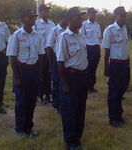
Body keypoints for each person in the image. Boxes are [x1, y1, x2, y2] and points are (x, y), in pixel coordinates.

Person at [6, 9, 45, 137]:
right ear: (22, 20)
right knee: (21, 101)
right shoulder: (16, 36)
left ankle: (29, 127)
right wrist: (16, 77)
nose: (33, 19)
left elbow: (40, 55)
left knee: (31, 101)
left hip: (34, 71)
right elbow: (12, 57)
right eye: (30, 17)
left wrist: (39, 74)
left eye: (34, 17)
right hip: (22, 71)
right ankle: (20, 128)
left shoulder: (37, 35)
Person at [55, 7, 88, 150]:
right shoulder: (63, 37)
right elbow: (60, 62)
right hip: (71, 76)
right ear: (69, 20)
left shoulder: (81, 35)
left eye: (81, 17)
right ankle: (70, 140)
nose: (80, 19)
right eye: (77, 17)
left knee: (81, 107)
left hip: (82, 75)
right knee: (69, 109)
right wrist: (65, 83)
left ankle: (77, 136)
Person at [102, 6, 130, 128]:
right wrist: (106, 67)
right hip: (115, 64)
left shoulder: (124, 29)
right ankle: (113, 118)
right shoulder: (109, 30)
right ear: (115, 16)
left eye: (124, 15)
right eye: (121, 15)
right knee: (114, 91)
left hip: (125, 63)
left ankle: (119, 113)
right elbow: (106, 51)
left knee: (122, 89)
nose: (124, 17)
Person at [46, 11, 68, 113]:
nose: (67, 20)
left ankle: (64, 103)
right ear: (61, 18)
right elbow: (49, 47)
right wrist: (51, 64)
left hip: (67, 59)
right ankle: (56, 105)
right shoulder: (54, 30)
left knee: (65, 81)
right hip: (56, 58)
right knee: (56, 81)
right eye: (65, 18)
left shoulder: (69, 30)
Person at [35, 4, 55, 103]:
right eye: (45, 10)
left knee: (49, 74)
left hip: (50, 53)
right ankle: (39, 95)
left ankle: (48, 94)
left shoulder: (52, 24)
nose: (47, 12)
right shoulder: (36, 24)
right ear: (40, 12)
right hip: (41, 53)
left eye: (48, 10)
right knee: (41, 74)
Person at [80, 7, 102, 93]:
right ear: (88, 14)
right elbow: (81, 37)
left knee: (94, 68)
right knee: (88, 68)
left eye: (95, 13)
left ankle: (92, 86)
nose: (94, 15)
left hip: (96, 48)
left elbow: (99, 37)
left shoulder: (97, 25)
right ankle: (86, 86)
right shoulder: (84, 24)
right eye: (92, 13)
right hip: (88, 48)